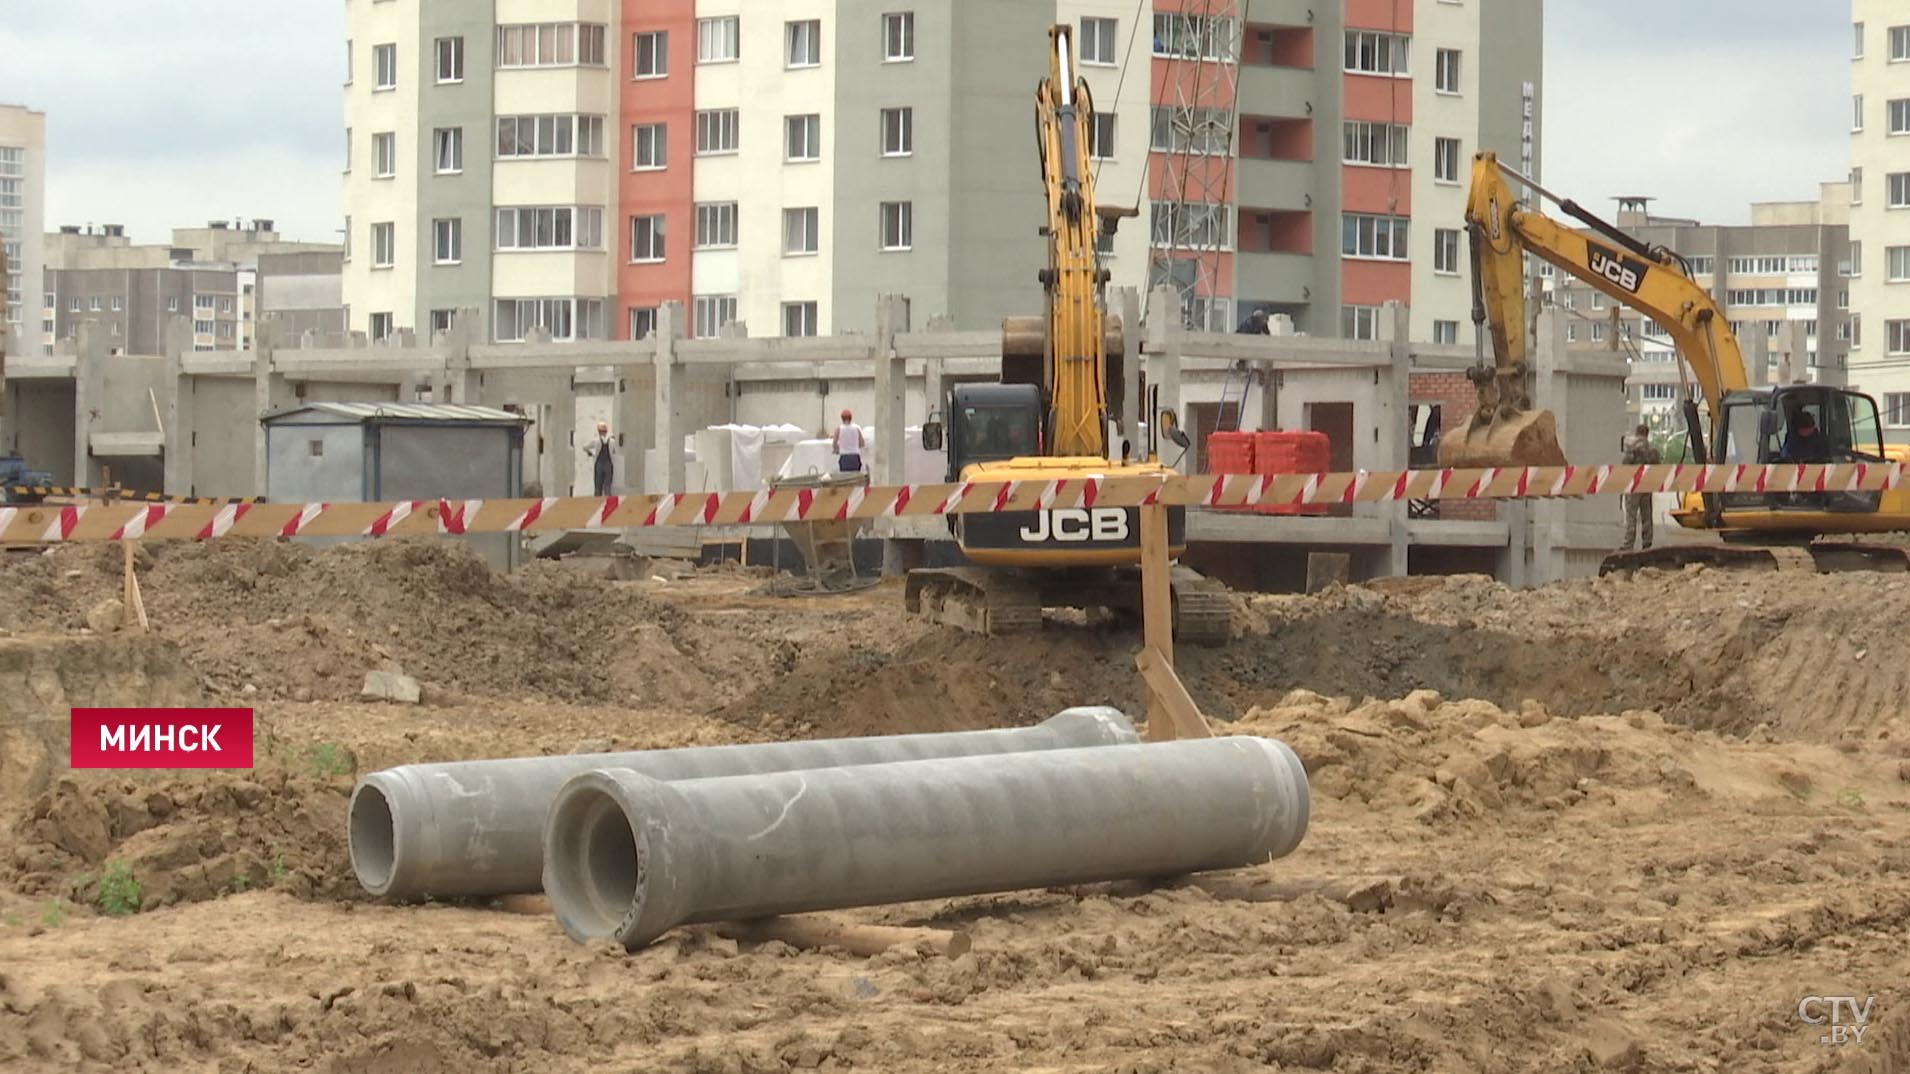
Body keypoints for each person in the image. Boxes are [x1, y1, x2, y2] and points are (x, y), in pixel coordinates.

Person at [1620, 423, 1660, 552]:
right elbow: (1658, 465)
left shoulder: (1632, 447)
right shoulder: (1652, 449)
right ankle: (1647, 543)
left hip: (1633, 486)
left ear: (1637, 433)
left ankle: (1628, 544)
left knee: (1631, 517)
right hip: (1647, 486)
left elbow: (1625, 465)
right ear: (1647, 434)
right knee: (1646, 516)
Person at [582, 420, 616, 496]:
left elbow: (584, 447)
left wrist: (591, 453)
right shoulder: (612, 441)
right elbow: (614, 452)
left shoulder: (596, 441)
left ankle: (597, 503)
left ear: (599, 432)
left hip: (599, 464)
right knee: (607, 486)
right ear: (606, 431)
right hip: (608, 464)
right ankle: (608, 501)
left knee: (598, 486)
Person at [832, 409, 866, 473]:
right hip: (855, 457)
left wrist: (838, 449)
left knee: (845, 478)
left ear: (842, 418)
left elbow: (834, 444)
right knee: (855, 477)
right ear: (851, 418)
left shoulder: (839, 429)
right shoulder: (857, 428)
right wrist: (854, 445)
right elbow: (862, 444)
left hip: (844, 458)